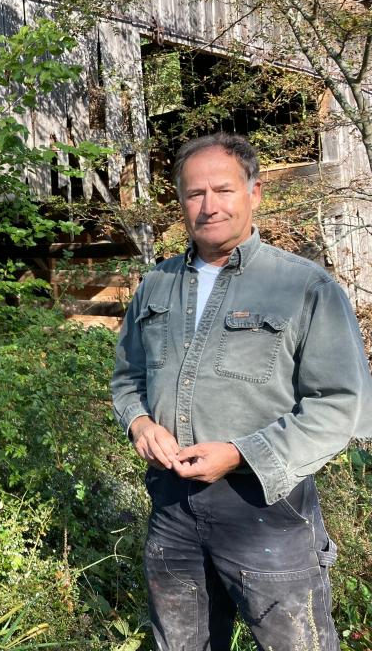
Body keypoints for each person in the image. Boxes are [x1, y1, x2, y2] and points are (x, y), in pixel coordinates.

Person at [111, 132, 372, 649]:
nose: (209, 206)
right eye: (194, 193)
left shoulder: (303, 286)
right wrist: (140, 422)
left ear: (254, 193)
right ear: (181, 202)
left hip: (265, 508)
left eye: (223, 190)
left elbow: (345, 403)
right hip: (171, 507)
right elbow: (127, 379)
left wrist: (238, 454)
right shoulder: (155, 286)